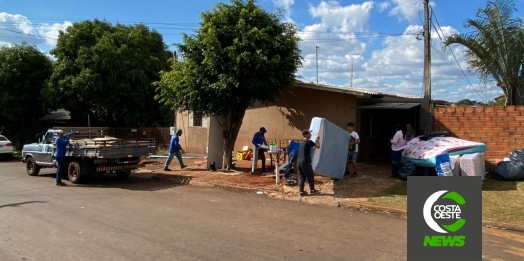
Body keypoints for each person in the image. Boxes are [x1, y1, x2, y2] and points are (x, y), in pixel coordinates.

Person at [296, 129, 321, 196]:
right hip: (305, 162)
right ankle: (312, 190)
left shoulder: (302, 142)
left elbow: (305, 132)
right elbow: (318, 146)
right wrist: (318, 139)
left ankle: (301, 192)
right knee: (310, 176)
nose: (311, 135)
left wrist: (309, 130)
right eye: (309, 134)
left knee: (302, 177)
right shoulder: (308, 141)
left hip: (299, 162)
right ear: (306, 135)